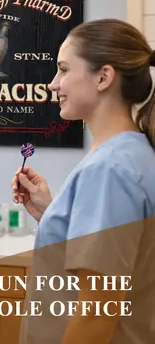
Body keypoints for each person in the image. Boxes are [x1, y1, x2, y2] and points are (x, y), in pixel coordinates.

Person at [11, 19, 155, 343]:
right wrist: (54, 214)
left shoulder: (110, 170)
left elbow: (97, 308)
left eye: (63, 70)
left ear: (103, 77)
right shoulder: (133, 154)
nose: (53, 84)